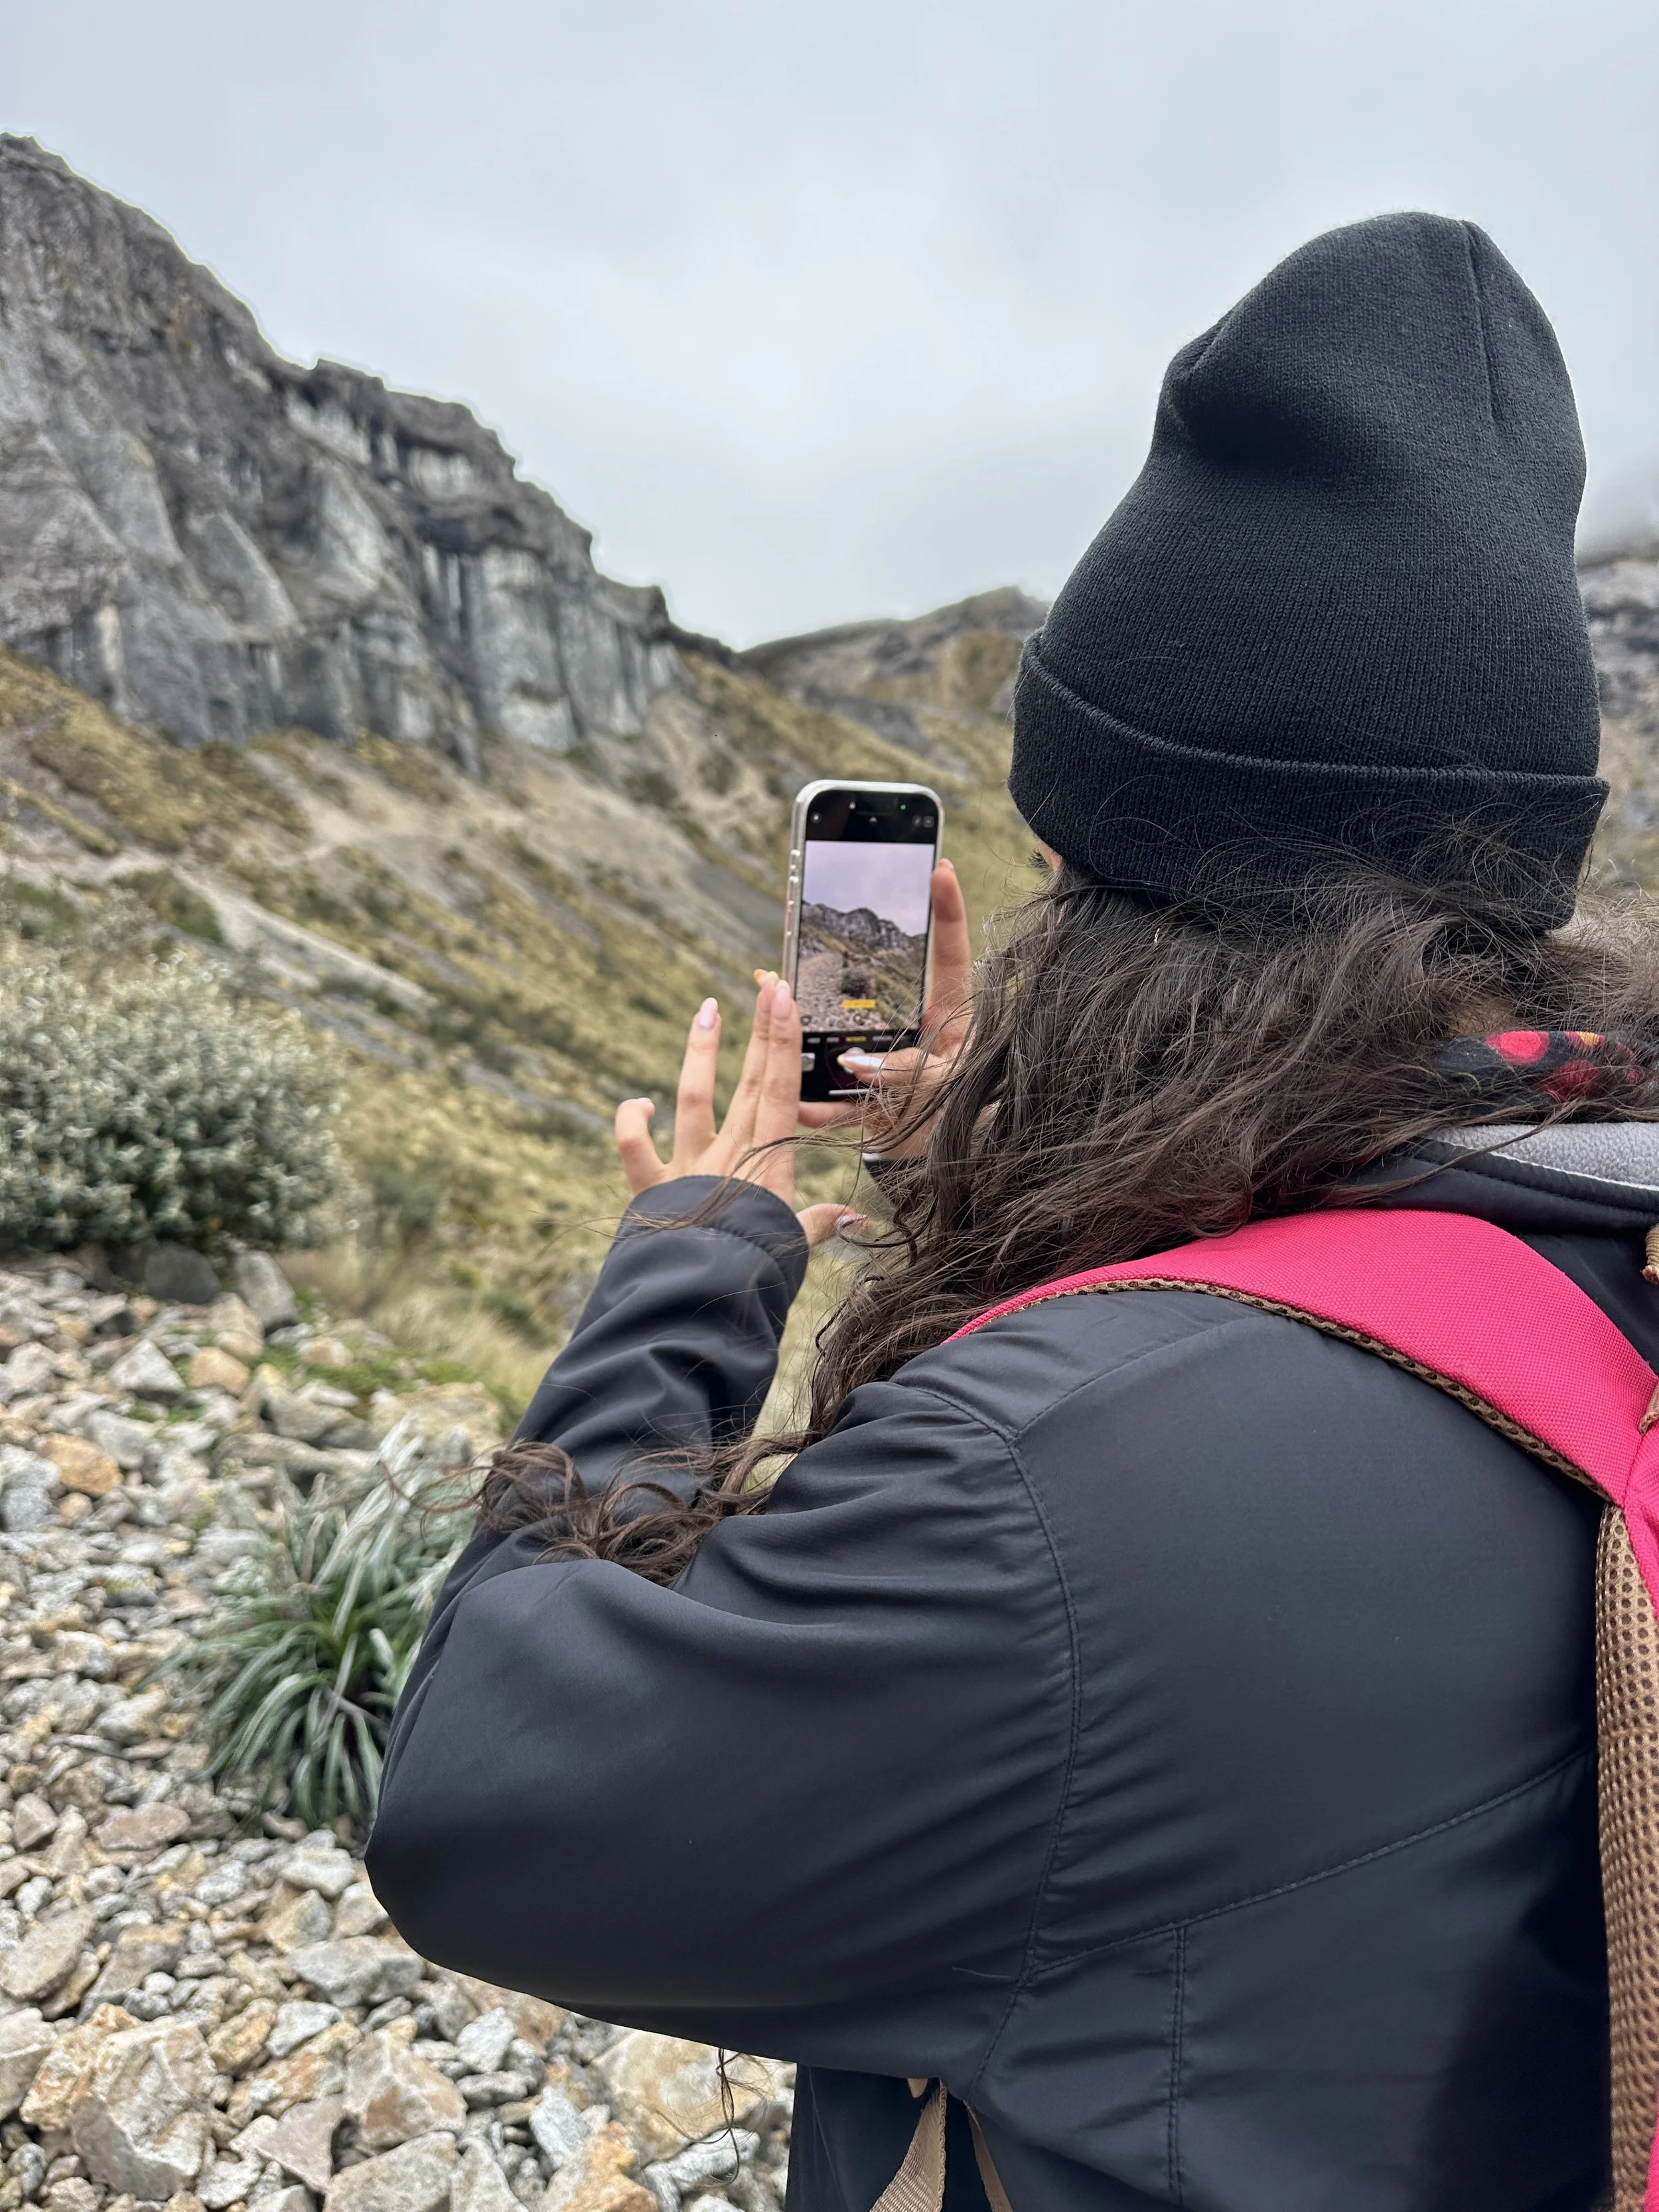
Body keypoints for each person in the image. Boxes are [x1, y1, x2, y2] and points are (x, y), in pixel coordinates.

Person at [368, 214, 1651, 2211]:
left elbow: (483, 1802)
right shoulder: (1602, 1236)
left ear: (1097, 867)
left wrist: (700, 1250)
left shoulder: (1035, 1486)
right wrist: (1023, 1182)